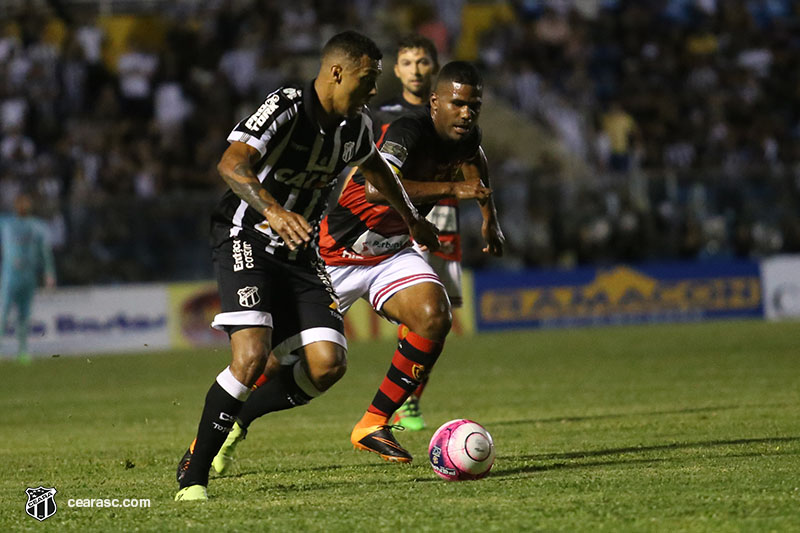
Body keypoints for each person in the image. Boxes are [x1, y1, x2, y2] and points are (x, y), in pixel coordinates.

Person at [174, 30, 439, 502]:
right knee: (252, 356)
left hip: (302, 251)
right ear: (337, 72)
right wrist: (273, 210)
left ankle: (238, 416)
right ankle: (194, 476)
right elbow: (232, 163)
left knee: (327, 365)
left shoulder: (355, 126)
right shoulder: (286, 106)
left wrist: (413, 221)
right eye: (368, 77)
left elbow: (377, 171)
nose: (374, 89)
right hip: (246, 236)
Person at [212, 61, 504, 468]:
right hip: (336, 252)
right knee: (273, 359)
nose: (467, 113)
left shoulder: (466, 134)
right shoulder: (408, 130)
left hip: (392, 252)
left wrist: (490, 220)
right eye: (458, 104)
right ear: (435, 102)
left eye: (474, 105)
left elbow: (476, 159)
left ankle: (372, 423)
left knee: (433, 315)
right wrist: (455, 189)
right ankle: (228, 425)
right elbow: (373, 190)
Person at [0, 193, 56, 364]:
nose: (23, 206)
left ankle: (23, 351)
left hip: (28, 277)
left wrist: (49, 272)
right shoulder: (6, 222)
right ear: (16, 206)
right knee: (3, 314)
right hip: (10, 277)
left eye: (26, 203)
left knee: (24, 316)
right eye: (21, 203)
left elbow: (45, 251)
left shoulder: (37, 226)